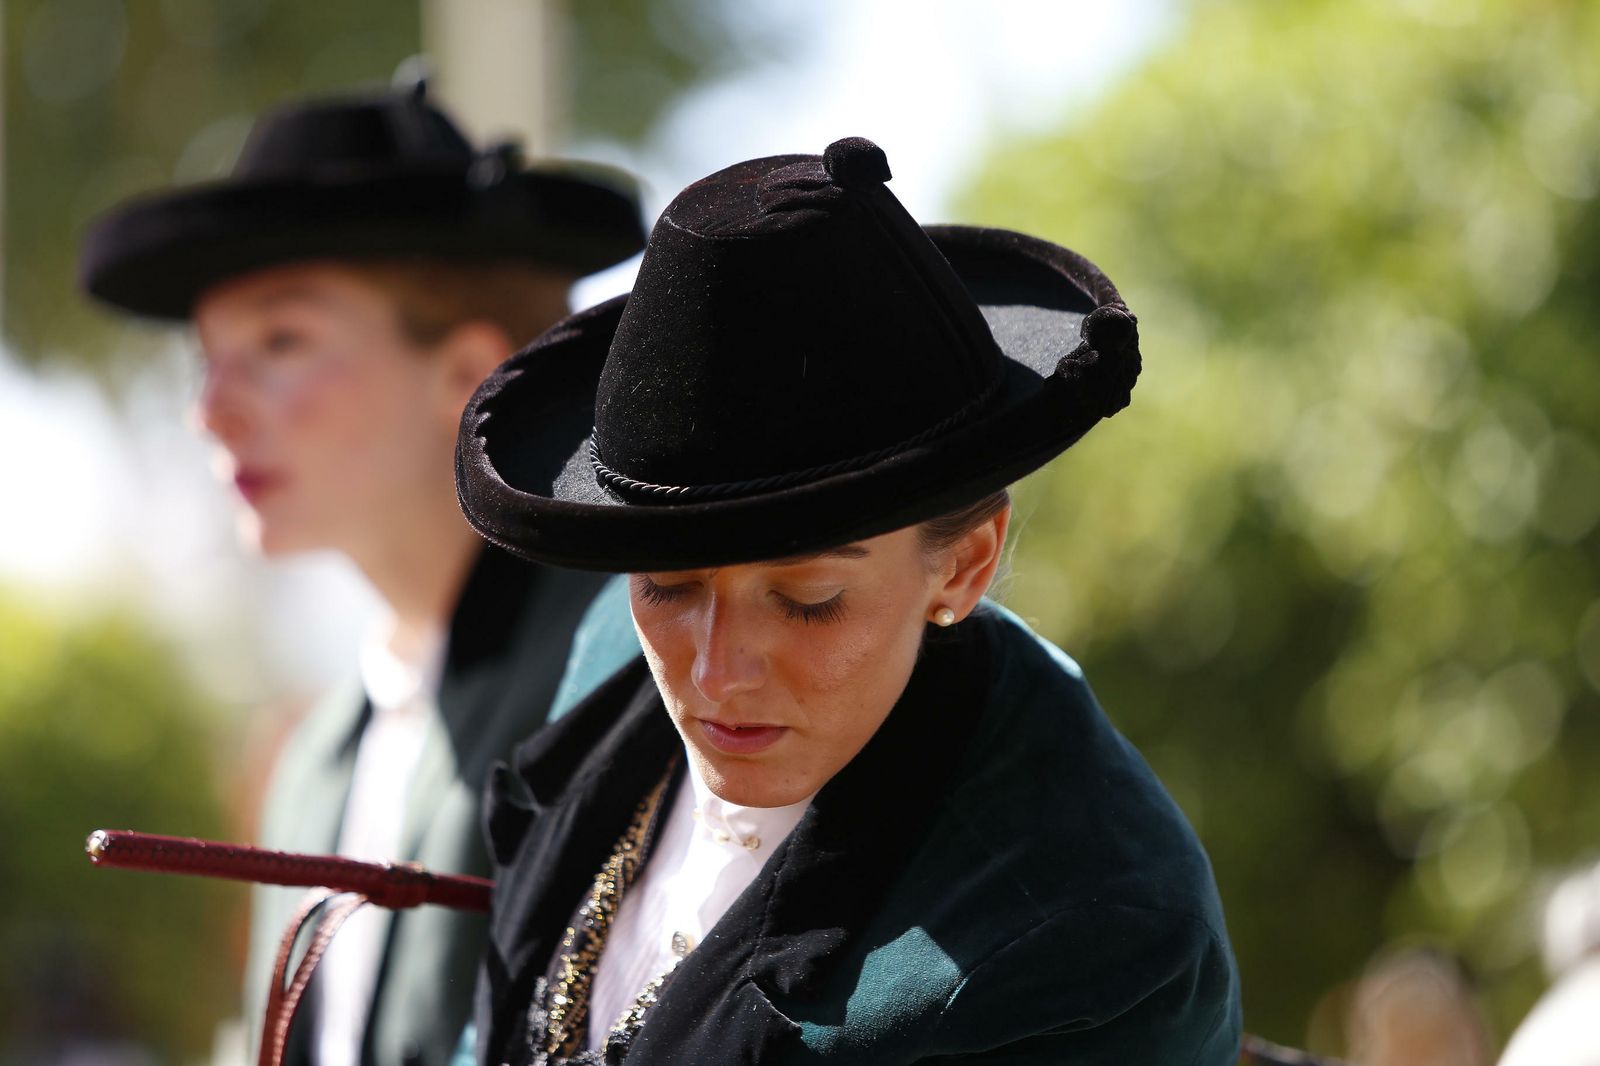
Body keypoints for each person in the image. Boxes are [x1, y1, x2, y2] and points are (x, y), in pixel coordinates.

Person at [452, 136, 1242, 1064]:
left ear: (963, 565)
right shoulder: (606, 660)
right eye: (668, 584)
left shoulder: (1091, 938)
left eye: (808, 597)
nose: (716, 669)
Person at [78, 82, 646, 1066]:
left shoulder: (629, 676)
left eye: (280, 341)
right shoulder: (318, 757)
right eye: (206, 359)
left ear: (466, 373)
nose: (211, 409)